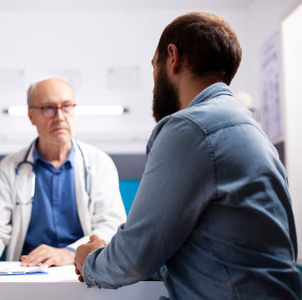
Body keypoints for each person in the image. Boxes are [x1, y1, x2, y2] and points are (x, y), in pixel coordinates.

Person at [75, 12, 302, 299]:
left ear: (173, 57)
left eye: (154, 67)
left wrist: (89, 258)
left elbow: (132, 258)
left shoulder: (190, 128)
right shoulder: (249, 128)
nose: (154, 83)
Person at [0, 78, 126, 268]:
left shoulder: (99, 163)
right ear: (31, 116)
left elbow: (111, 226)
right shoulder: (11, 167)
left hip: (81, 272)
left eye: (66, 107)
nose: (59, 117)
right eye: (48, 108)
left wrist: (70, 253)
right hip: (28, 272)